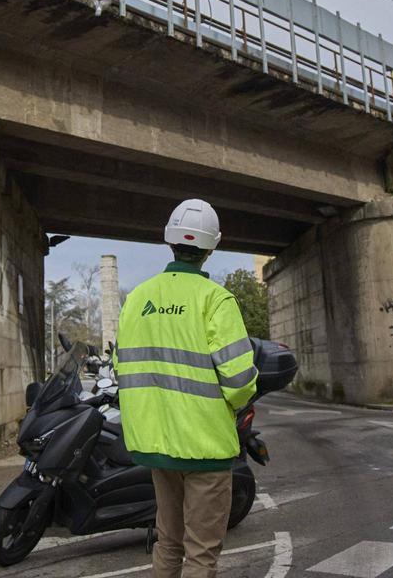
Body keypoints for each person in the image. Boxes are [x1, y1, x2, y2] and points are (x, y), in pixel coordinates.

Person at [114, 199, 257, 578]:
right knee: (201, 553)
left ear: (169, 242)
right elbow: (241, 381)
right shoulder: (216, 301)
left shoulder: (137, 300)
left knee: (168, 542)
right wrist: (236, 406)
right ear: (212, 248)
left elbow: (121, 369)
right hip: (205, 448)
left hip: (158, 448)